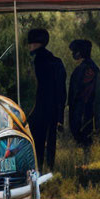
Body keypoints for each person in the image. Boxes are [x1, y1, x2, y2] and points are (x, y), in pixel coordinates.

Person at [27, 28, 66, 169]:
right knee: (51, 143)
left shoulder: (32, 63)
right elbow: (62, 92)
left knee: (36, 144)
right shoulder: (57, 62)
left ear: (34, 44)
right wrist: (60, 116)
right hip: (53, 110)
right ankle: (50, 171)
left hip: (36, 110)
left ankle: (37, 172)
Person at [68, 39, 99, 145]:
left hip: (83, 110)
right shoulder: (93, 67)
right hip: (87, 109)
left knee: (84, 136)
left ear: (79, 53)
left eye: (74, 51)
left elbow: (79, 92)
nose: (73, 54)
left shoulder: (85, 69)